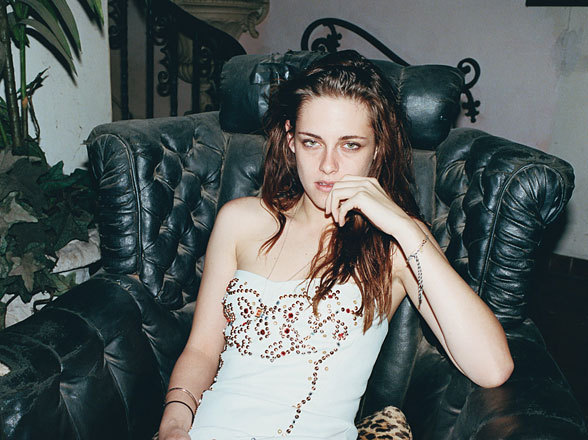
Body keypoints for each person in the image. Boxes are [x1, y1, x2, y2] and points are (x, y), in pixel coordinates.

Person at [157, 50, 514, 440]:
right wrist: (173, 425)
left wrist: (404, 226)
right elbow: (202, 350)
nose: (328, 165)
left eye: (350, 145)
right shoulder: (240, 220)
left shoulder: (396, 245)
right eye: (312, 142)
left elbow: (492, 367)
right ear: (291, 140)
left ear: (378, 148)